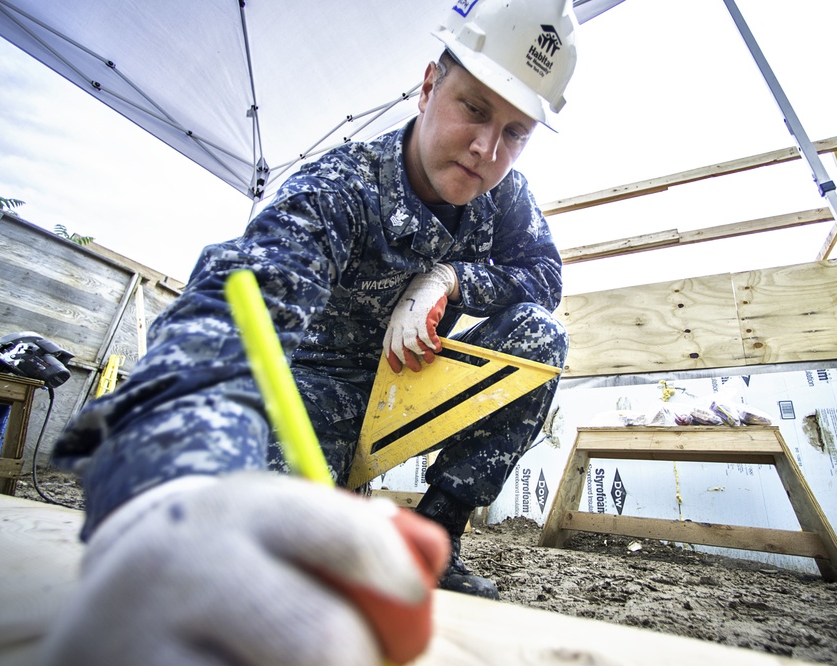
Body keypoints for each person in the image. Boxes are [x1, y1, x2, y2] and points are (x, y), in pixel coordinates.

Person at [43, 0, 578, 664]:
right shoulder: (339, 187)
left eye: (515, 132)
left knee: (539, 335)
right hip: (311, 392)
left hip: (411, 385)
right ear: (428, 86)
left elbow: (543, 277)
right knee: (272, 547)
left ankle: (437, 532)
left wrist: (449, 279)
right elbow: (232, 320)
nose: (487, 150)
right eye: (473, 108)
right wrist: (168, 489)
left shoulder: (504, 193)